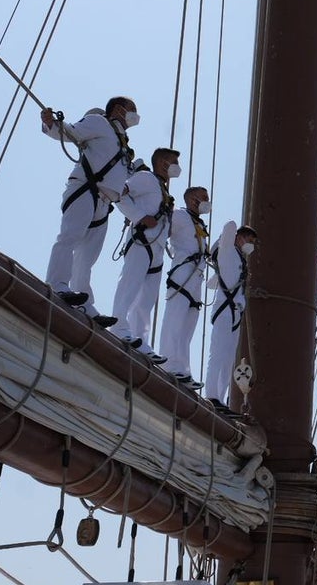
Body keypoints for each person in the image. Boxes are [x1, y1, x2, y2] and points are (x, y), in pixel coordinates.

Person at [41, 97, 139, 323]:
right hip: (85, 189)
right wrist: (51, 124)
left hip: (104, 202)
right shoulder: (99, 122)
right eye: (132, 110)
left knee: (87, 258)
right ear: (118, 109)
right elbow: (70, 132)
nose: (135, 115)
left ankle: (85, 305)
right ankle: (57, 283)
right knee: (69, 237)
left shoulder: (123, 143)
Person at [108, 148, 179, 361]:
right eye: (173, 162)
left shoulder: (162, 190)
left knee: (147, 299)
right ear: (162, 163)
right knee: (130, 284)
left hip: (156, 250)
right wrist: (139, 216)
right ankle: (118, 326)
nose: (176, 167)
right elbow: (120, 193)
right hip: (141, 241)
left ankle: (140, 339)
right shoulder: (146, 178)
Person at [159, 185, 211, 385]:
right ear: (192, 199)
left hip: (196, 276)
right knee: (175, 317)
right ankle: (168, 362)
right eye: (203, 197)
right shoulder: (180, 215)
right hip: (182, 272)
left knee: (188, 324)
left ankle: (182, 368)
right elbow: (164, 228)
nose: (207, 201)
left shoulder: (198, 223)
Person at [204, 221, 257, 408]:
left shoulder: (239, 259)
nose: (250, 245)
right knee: (218, 353)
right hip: (224, 310)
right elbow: (229, 226)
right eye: (248, 240)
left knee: (228, 358)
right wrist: (232, 237)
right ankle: (211, 394)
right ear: (238, 237)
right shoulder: (227, 250)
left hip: (235, 313)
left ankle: (220, 396)